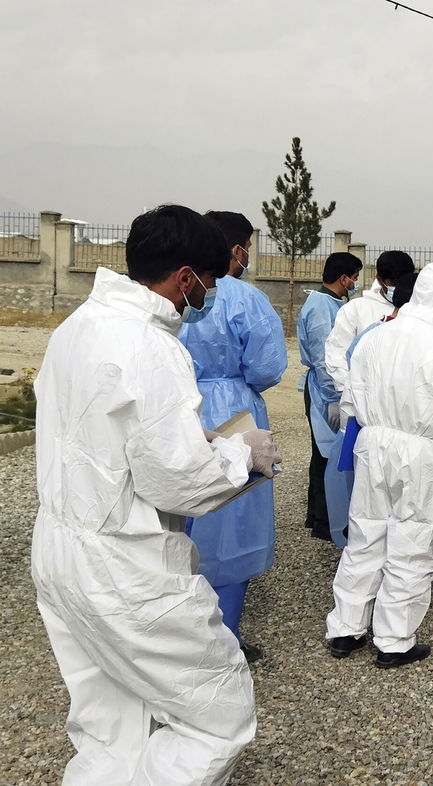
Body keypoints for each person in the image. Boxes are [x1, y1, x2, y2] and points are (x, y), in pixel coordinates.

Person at [32, 204, 281, 785]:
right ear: (185, 275)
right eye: (210, 281)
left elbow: (102, 438)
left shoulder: (77, 327)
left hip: (62, 548)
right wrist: (243, 454)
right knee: (218, 713)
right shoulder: (152, 346)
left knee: (111, 720)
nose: (210, 294)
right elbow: (177, 482)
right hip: (125, 565)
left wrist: (199, 442)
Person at [325, 261, 433, 668]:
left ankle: (346, 628)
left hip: (372, 443)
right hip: (421, 454)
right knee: (412, 543)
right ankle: (394, 640)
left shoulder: (375, 337)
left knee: (365, 536)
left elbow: (350, 398)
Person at [179, 211, 287, 662]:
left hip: (182, 403)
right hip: (234, 408)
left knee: (181, 517)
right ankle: (226, 640)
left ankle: (179, 633)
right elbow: (267, 366)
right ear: (237, 248)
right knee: (231, 526)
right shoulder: (246, 298)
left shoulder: (178, 290)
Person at [324, 264, 421, 548]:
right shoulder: (416, 338)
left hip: (365, 428)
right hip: (377, 429)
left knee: (366, 510)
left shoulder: (372, 332)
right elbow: (340, 363)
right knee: (376, 508)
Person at [296, 252, 361, 542]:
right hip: (325, 391)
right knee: (327, 454)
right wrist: (333, 397)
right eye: (355, 277)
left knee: (324, 453)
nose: (356, 283)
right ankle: (325, 520)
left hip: (329, 390)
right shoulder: (322, 306)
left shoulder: (332, 303)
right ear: (343, 278)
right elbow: (325, 358)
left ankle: (319, 515)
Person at [325, 250, 416, 398]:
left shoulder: (419, 311)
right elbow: (337, 354)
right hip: (362, 399)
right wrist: (346, 395)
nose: (398, 287)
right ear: (379, 280)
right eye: (393, 283)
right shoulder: (356, 309)